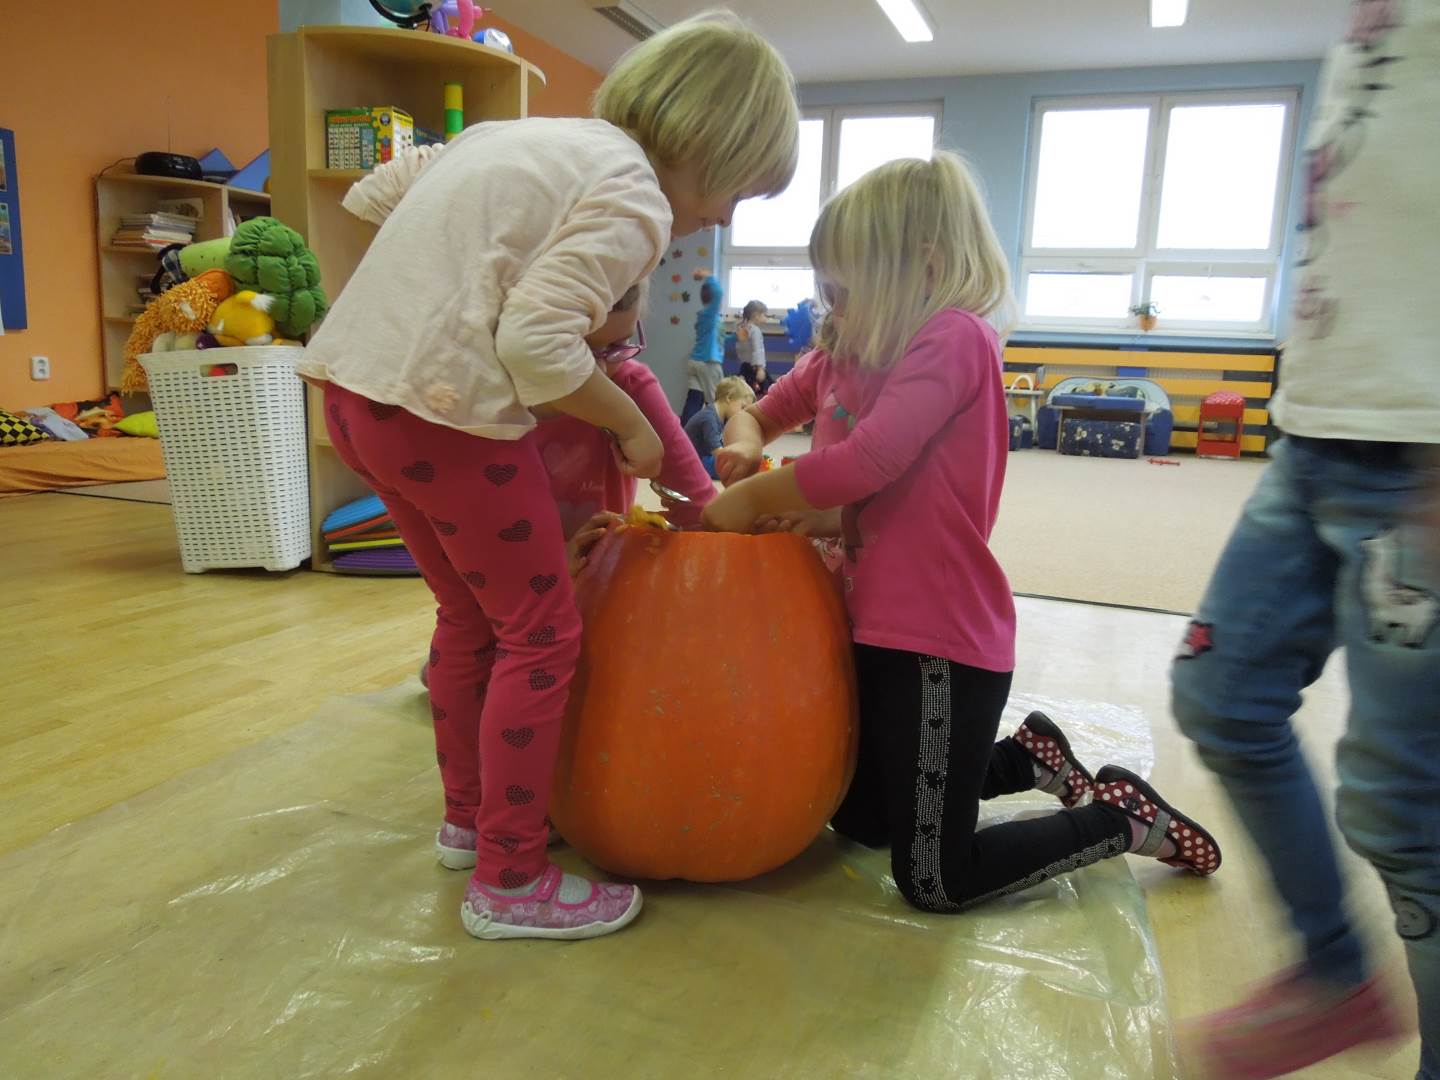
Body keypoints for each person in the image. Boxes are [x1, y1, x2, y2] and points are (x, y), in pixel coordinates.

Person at [299, 11, 799, 942]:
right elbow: (535, 343)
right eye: (739, 190)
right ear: (709, 143)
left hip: (356, 398)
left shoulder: (514, 138)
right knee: (541, 635)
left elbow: (375, 193)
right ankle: (511, 878)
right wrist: (628, 427)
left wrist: (456, 269)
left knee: (468, 620)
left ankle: (468, 822)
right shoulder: (637, 196)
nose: (727, 217)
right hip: (446, 415)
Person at [704, 153, 1222, 912]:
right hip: (867, 627)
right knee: (859, 819)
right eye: (826, 292)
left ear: (923, 268)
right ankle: (1027, 759)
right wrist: (745, 442)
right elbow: (760, 409)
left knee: (936, 878)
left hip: (937, 643)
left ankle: (1123, 820)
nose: (829, 311)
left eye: (844, 291)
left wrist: (753, 501)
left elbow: (869, 460)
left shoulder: (955, 338)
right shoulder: (841, 356)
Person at [1172, 4, 1439, 1076]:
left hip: (1422, 450)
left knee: (1402, 803)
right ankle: (1336, 975)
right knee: (1222, 697)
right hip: (1317, 431)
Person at [684, 375, 754, 478]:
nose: (743, 414)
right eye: (742, 407)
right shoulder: (709, 419)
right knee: (731, 467)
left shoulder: (719, 417)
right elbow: (719, 454)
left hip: (702, 458)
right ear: (729, 398)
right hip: (692, 463)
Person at [681, 268, 725, 425]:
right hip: (708, 362)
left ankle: (685, 431)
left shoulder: (708, 318)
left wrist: (735, 337)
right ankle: (715, 430)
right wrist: (709, 277)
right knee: (715, 401)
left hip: (695, 362)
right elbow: (718, 292)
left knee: (694, 398)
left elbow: (719, 338)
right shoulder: (709, 315)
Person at [736, 299, 773, 396]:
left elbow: (740, 349)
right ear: (756, 315)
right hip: (754, 368)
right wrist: (760, 368)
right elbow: (757, 350)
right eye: (764, 315)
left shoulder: (743, 328)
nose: (766, 318)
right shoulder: (755, 331)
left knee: (746, 391)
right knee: (764, 391)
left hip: (745, 367)